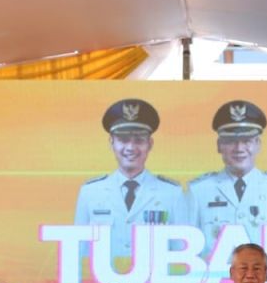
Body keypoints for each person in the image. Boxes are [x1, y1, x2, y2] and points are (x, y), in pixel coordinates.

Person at [74, 98, 187, 263]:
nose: (130, 148)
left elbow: (181, 255)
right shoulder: (90, 193)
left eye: (139, 140)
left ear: (150, 144)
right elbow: (79, 253)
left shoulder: (172, 193)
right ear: (111, 142)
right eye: (123, 140)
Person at [189, 101, 267, 261]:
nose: (239, 148)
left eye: (247, 140)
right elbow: (187, 254)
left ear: (258, 145)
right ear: (219, 145)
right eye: (231, 141)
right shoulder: (199, 191)